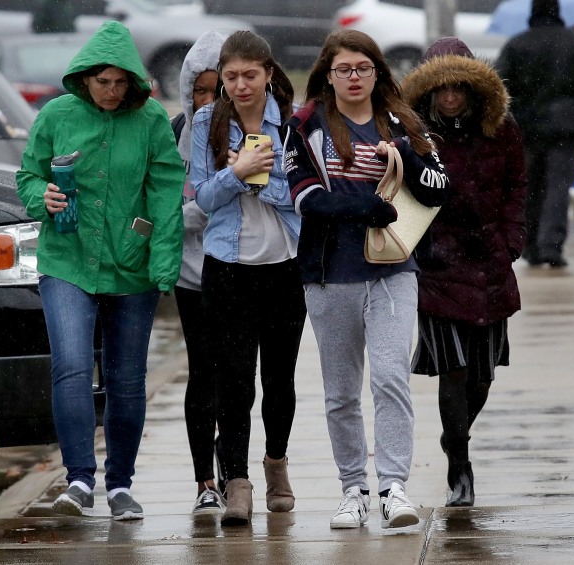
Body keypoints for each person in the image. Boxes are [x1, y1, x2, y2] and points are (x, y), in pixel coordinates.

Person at [16, 21, 185, 520]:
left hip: (130, 265)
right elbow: (28, 175)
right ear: (84, 78)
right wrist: (39, 197)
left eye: (120, 82)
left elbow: (166, 190)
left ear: (134, 79)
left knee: (127, 378)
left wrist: (162, 262)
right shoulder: (56, 115)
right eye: (103, 82)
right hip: (66, 259)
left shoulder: (152, 118)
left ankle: (119, 485)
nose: (112, 91)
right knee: (71, 366)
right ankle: (78, 480)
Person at [284, 29, 449, 530]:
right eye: (343, 70)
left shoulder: (402, 120)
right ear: (327, 75)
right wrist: (363, 208)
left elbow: (440, 187)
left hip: (394, 271)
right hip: (329, 275)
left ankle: (393, 487)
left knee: (391, 379)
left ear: (377, 72)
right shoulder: (306, 124)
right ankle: (352, 489)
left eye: (363, 68)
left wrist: (405, 154)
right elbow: (304, 197)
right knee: (340, 391)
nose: (354, 78)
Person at [400, 36, 527, 507]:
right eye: (441, 89)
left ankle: (455, 437)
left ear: (473, 87)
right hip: (436, 265)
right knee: (452, 369)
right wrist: (422, 246)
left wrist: (511, 239)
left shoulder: (502, 128)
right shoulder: (413, 134)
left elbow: (517, 184)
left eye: (458, 87)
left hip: (489, 261)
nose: (450, 97)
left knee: (482, 375)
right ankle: (461, 467)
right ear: (428, 90)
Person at [189, 30, 306, 526]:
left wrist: (263, 175)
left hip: (284, 267)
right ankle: (237, 480)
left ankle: (276, 462)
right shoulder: (204, 123)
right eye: (231, 76)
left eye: (249, 75)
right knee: (232, 380)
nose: (240, 85)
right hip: (227, 269)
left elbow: (304, 191)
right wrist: (237, 173)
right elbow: (200, 199)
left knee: (279, 379)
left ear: (268, 74)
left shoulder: (294, 124)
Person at [495, 0, 574, 268]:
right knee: (558, 187)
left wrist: (517, 113)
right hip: (565, 128)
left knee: (530, 188)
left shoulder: (517, 44)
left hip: (527, 129)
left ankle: (531, 244)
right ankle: (551, 245)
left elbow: (499, 86)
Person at [171, 30, 228, 515]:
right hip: (191, 277)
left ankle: (233, 468)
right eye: (200, 91)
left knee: (238, 376)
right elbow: (164, 207)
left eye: (217, 90)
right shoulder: (175, 134)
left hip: (242, 271)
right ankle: (204, 481)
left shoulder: (250, 132)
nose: (207, 101)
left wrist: (201, 204)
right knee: (202, 374)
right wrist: (201, 206)